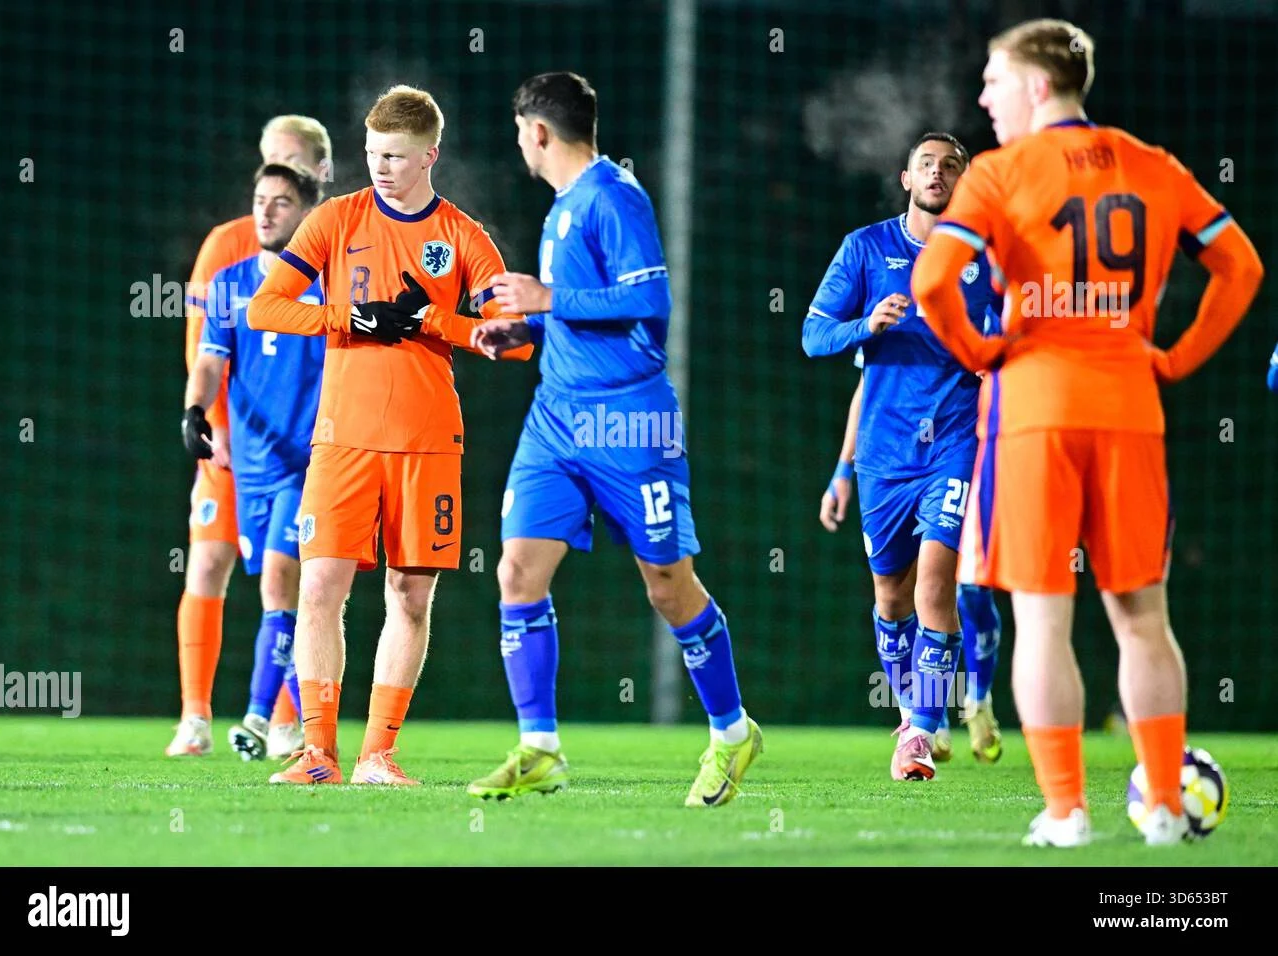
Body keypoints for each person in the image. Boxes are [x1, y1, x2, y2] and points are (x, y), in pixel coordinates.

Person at [911, 18, 1263, 845]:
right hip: (1129, 409)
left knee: (1043, 621)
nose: (982, 96)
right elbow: (1240, 265)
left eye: (994, 80)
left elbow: (933, 279)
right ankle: (1167, 812)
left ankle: (1067, 813)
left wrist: (982, 352)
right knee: (1143, 617)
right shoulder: (1152, 165)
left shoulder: (1000, 174)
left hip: (1032, 415)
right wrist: (1174, 361)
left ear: (1038, 86)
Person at [468, 71, 761, 808]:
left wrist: (547, 297)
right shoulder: (564, 207)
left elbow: (650, 299)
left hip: (631, 422)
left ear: (538, 131)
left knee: (667, 586)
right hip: (556, 420)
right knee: (515, 573)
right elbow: (581, 312)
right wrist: (525, 327)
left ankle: (732, 733)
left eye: (519, 132)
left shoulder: (613, 194)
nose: (518, 145)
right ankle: (540, 748)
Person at [247, 85, 531, 785]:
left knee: (409, 597)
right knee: (318, 587)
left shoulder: (463, 236)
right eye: (375, 154)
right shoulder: (335, 220)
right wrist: (353, 317)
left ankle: (378, 754)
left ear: (430, 154)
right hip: (341, 440)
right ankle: (318, 754)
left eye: (397, 157)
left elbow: (516, 341)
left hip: (427, 440)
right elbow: (264, 307)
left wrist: (438, 323)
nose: (382, 168)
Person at [804, 133, 1003, 781]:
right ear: (905, 178)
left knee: (937, 583)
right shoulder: (866, 249)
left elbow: (1013, 343)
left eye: (952, 166)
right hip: (884, 457)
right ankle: (917, 709)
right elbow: (813, 335)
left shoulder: (987, 258)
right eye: (927, 164)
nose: (939, 173)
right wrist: (865, 325)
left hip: (954, 443)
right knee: (891, 598)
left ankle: (920, 729)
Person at [168, 115, 332, 759]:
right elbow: (205, 351)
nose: (268, 203)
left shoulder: (331, 260)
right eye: (265, 177)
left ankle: (275, 720)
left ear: (317, 177)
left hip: (303, 457)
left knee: (289, 580)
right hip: (237, 447)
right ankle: (195, 718)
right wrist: (202, 415)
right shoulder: (229, 254)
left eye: (288, 176)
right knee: (216, 565)